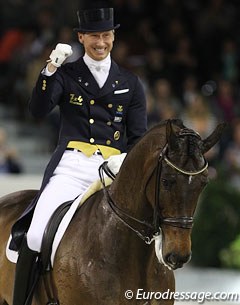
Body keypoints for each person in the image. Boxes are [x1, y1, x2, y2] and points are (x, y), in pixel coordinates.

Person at [11, 6, 147, 305]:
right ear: (81, 38)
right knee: (34, 236)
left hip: (113, 168)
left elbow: (138, 137)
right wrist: (49, 71)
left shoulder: (130, 82)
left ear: (114, 36)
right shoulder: (67, 74)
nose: (101, 42)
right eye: (94, 36)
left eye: (107, 35)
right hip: (72, 166)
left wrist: (127, 161)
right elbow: (37, 110)